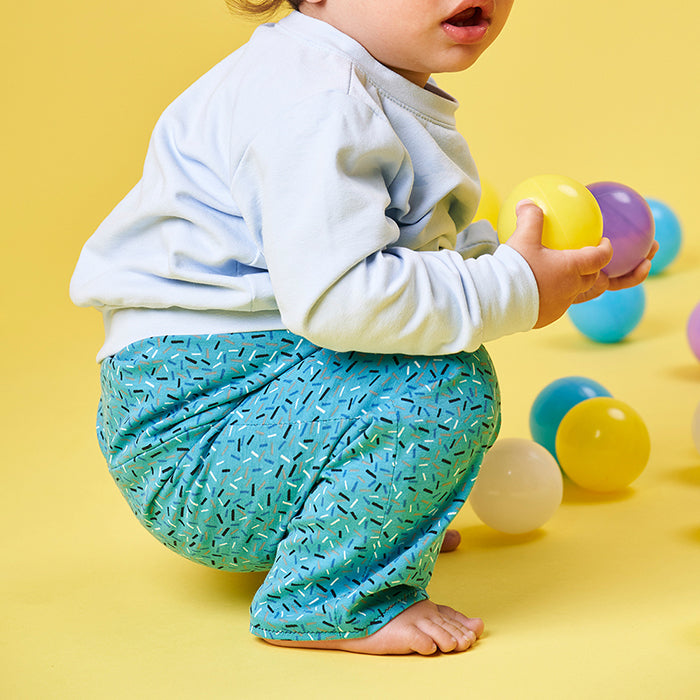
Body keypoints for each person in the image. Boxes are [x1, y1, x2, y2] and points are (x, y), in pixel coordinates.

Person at [70, 0, 654, 655]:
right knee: (443, 389)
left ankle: (364, 525)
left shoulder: (350, 77)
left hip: (246, 404)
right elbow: (346, 299)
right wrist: (513, 285)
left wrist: (546, 272)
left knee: (431, 353)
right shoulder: (316, 100)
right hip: (203, 438)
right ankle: (328, 599)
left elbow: (387, 268)